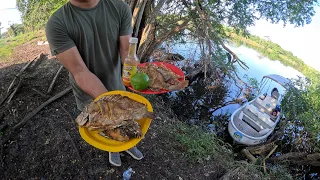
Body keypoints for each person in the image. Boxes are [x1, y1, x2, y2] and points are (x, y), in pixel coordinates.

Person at [45, 0, 143, 167]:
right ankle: (114, 148)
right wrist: (111, 104)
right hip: (88, 91)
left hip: (117, 83)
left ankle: (129, 144)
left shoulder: (119, 8)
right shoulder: (57, 23)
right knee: (108, 124)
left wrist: (138, 78)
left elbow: (126, 51)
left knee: (127, 121)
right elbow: (80, 72)